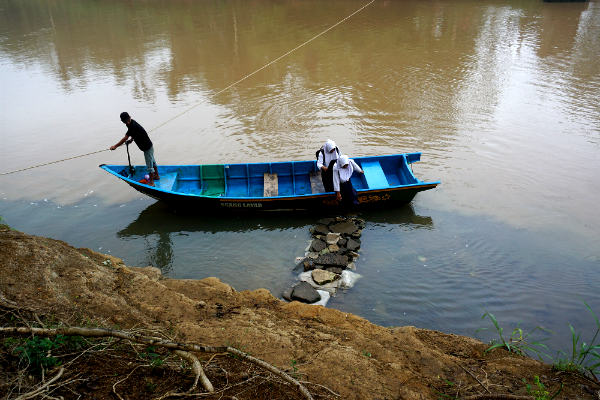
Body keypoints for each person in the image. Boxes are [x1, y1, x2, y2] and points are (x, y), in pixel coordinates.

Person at [110, 112, 159, 186]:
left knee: (149, 165)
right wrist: (131, 140)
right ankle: (157, 176)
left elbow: (125, 138)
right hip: (149, 146)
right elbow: (134, 133)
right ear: (123, 122)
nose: (127, 122)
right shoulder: (131, 124)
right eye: (125, 121)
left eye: (128, 120)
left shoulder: (132, 125)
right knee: (152, 162)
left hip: (147, 147)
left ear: (130, 117)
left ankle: (152, 182)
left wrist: (115, 146)